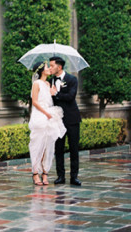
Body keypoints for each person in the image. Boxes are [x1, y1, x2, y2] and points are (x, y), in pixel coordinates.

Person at [28, 61, 66, 185]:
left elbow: (48, 100)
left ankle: (45, 172)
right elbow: (35, 102)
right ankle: (35, 173)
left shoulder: (48, 83)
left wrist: (53, 93)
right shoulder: (36, 83)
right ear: (41, 70)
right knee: (38, 144)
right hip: (40, 115)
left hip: (49, 115)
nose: (50, 69)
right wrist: (45, 113)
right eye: (47, 67)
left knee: (49, 145)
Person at [49, 56, 82, 186]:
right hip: (57, 120)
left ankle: (74, 177)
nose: (50, 68)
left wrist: (56, 94)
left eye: (52, 66)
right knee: (59, 149)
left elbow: (70, 96)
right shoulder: (50, 80)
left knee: (74, 149)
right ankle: (60, 176)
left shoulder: (72, 79)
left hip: (72, 118)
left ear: (59, 66)